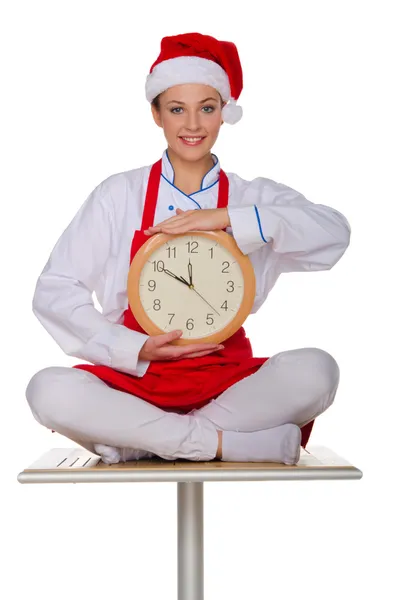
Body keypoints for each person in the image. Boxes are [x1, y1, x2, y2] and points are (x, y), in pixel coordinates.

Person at [25, 32, 350, 465]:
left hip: (226, 378)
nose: (193, 125)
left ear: (223, 114)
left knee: (318, 371)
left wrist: (231, 218)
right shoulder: (119, 194)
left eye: (207, 108)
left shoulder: (253, 195)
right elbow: (55, 289)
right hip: (133, 377)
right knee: (47, 389)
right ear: (156, 114)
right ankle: (222, 444)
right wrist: (133, 347)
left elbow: (334, 233)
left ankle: (146, 442)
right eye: (177, 109)